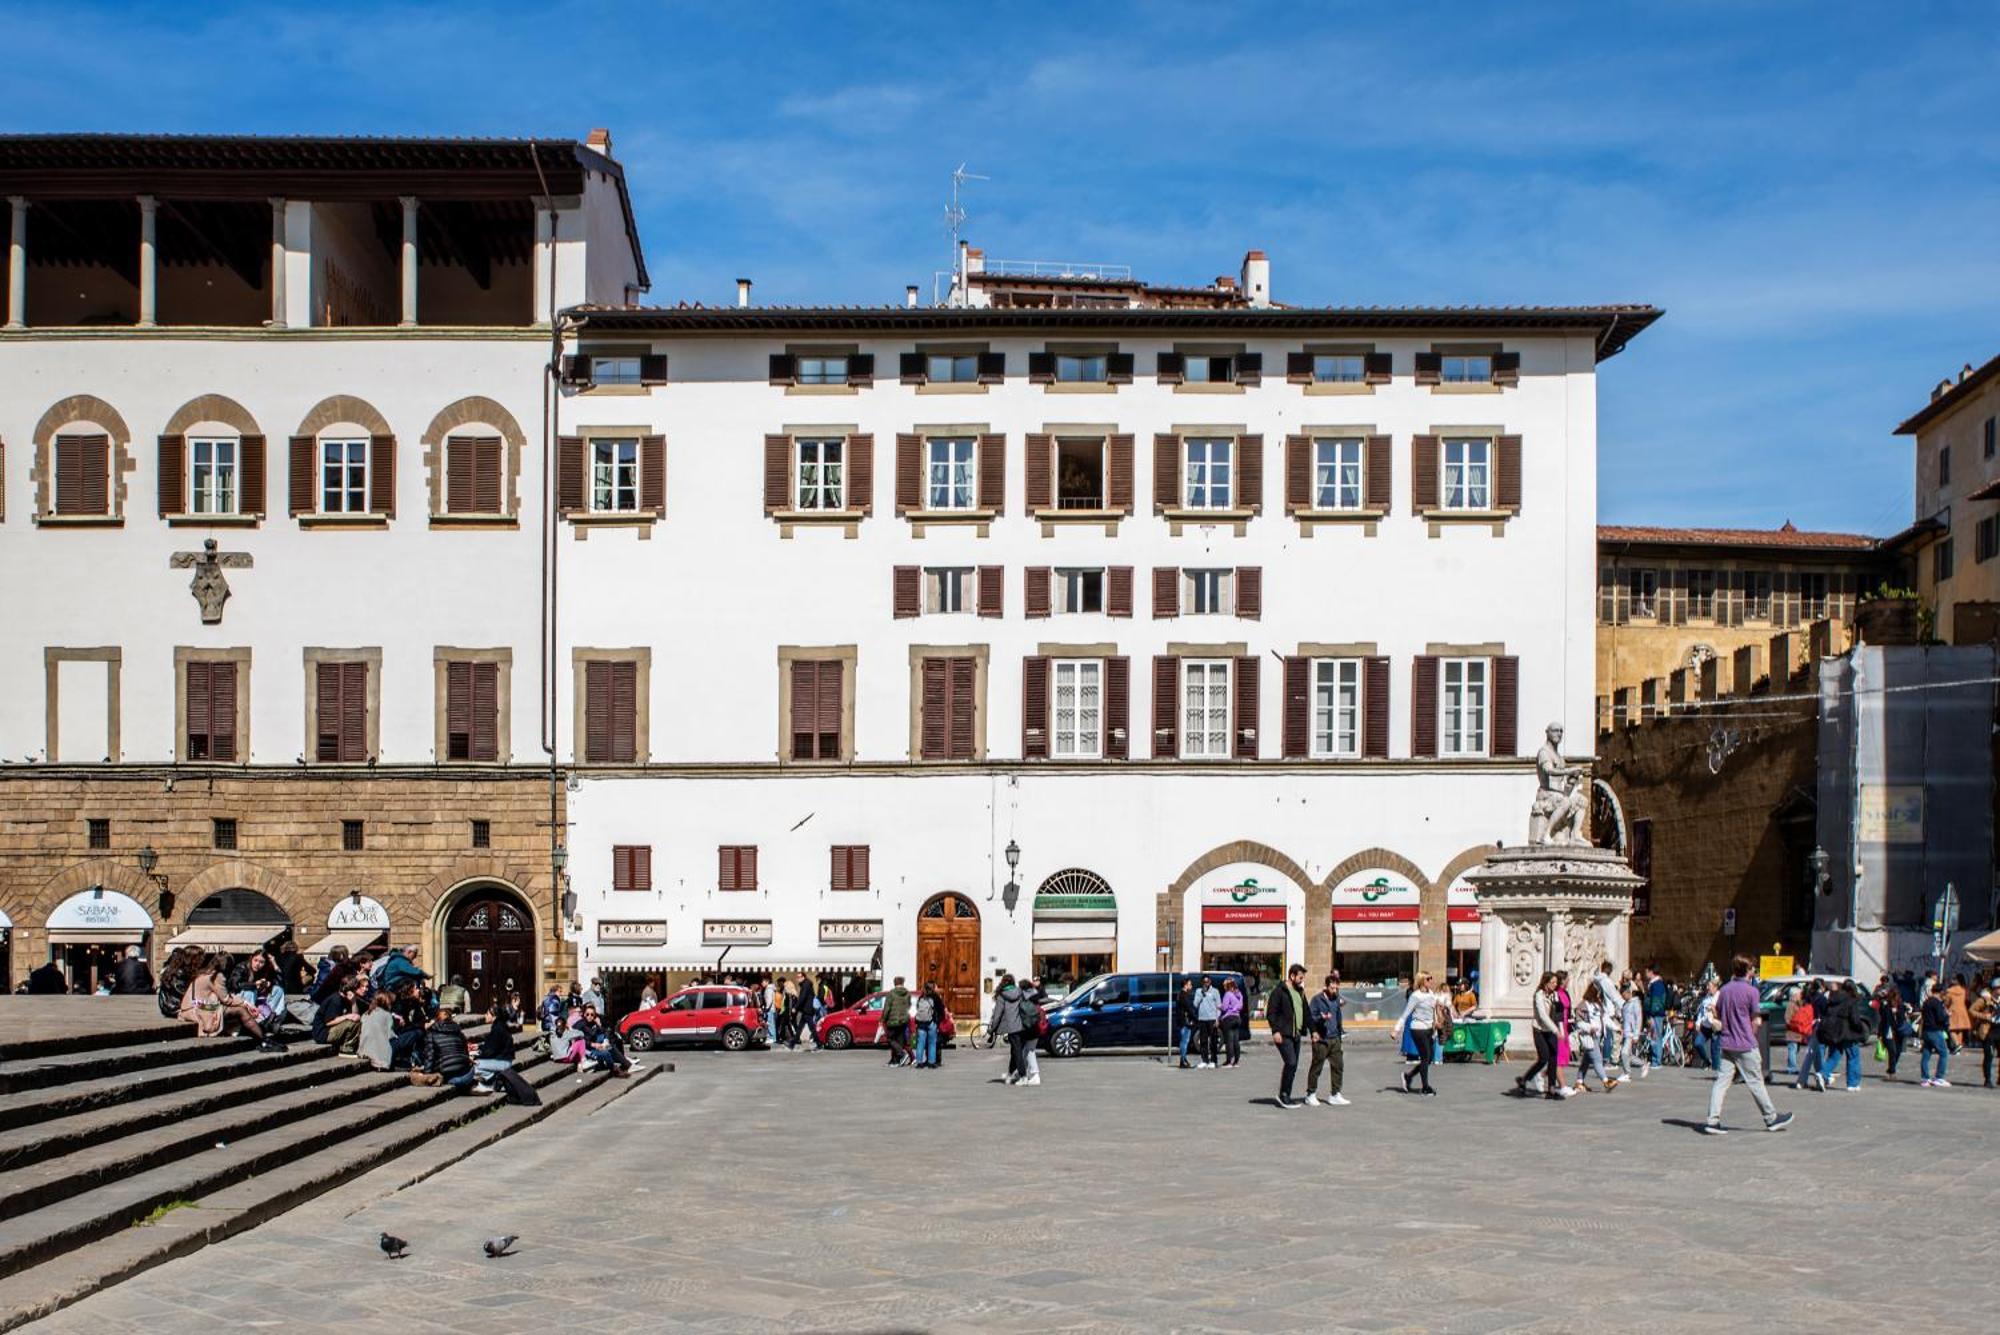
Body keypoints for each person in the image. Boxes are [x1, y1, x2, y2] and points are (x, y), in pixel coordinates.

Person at [1701, 956, 1794, 1134]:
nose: (1754, 971)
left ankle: (1712, 1120)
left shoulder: (1725, 989)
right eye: (1752, 968)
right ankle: (1771, 1118)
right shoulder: (1751, 991)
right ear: (1747, 970)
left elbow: (1718, 1012)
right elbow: (1756, 1019)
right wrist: (1752, 1033)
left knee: (1721, 1082)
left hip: (1727, 1042)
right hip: (1744, 1042)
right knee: (1756, 1081)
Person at [1393, 972, 1446, 1097]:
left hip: (1429, 1029)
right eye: (1428, 979)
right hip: (1418, 1029)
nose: (1431, 981)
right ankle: (1425, 1087)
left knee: (1428, 1058)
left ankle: (1408, 1076)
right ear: (1422, 981)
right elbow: (1405, 1014)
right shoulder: (1415, 996)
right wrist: (1396, 1029)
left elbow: (1434, 1009)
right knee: (1425, 1057)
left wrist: (1438, 1013)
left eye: (1431, 978)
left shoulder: (1431, 994)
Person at [1517, 973, 1567, 1100]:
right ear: (1546, 982)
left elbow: (1559, 1013)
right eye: (1553, 982)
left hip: (1551, 1030)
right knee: (1543, 1058)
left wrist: (1560, 1029)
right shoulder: (1538, 995)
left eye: (1556, 982)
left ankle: (1551, 1089)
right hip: (1540, 1030)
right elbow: (1543, 1016)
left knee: (1553, 1058)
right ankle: (1524, 1079)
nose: (1555, 985)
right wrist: (1556, 1031)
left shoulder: (1554, 995)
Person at [1266, 964, 1309, 1109]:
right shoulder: (1280, 991)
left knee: (1293, 1065)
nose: (1302, 980)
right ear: (1292, 976)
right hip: (1283, 1034)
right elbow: (1271, 1012)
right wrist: (1275, 1031)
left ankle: (1286, 1095)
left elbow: (1306, 1013)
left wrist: (1314, 1031)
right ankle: (1283, 1096)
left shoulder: (1300, 992)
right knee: (1290, 1062)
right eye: (1300, 977)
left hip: (1295, 1034)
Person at [1304, 973, 1348, 1106]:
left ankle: (1335, 1094)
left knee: (1338, 1066)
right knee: (1317, 1067)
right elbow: (1310, 1018)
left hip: (1335, 1038)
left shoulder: (1336, 999)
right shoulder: (1317, 1000)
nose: (1334, 990)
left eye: (1336, 988)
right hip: (1321, 1038)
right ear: (1326, 986)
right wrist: (1321, 1018)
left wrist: (1340, 1033)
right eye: (1332, 988)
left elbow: (1338, 1017)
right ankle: (1310, 1094)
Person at [1571, 982, 1619, 1092]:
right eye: (1597, 993)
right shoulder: (1583, 1005)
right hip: (1589, 1036)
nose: (1598, 995)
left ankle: (1579, 1082)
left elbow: (1605, 1019)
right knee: (1597, 1059)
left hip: (1598, 1036)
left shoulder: (1599, 1005)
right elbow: (1578, 1022)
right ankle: (1606, 1081)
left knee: (1586, 1061)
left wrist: (1616, 1028)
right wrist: (1589, 1027)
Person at [415, 1005, 475, 1089]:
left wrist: (427, 1075)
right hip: (466, 1073)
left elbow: (430, 1057)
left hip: (447, 1074)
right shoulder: (458, 1032)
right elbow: (465, 1052)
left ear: (436, 1019)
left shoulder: (431, 1033)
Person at [989, 974, 1032, 1085]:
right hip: (1022, 1026)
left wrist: (992, 1029)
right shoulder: (1019, 991)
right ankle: (1010, 1073)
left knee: (1017, 1052)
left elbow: (997, 1014)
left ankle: (1023, 1076)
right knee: (1015, 1051)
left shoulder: (1002, 996)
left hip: (1012, 1028)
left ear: (1003, 982)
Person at [472, 1003, 516, 1093]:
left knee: (473, 1066)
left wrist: (475, 1057)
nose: (485, 1015)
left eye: (487, 1014)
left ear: (494, 1016)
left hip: (503, 1062)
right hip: (504, 1060)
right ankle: (494, 1079)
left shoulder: (497, 1029)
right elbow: (492, 1045)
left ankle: (491, 1082)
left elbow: (490, 1051)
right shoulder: (499, 1026)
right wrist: (479, 1047)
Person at [314, 976, 365, 1054]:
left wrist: (353, 1002)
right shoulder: (336, 1000)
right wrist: (347, 1016)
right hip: (324, 1034)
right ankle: (346, 1048)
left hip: (333, 1029)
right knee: (353, 1023)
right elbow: (329, 1022)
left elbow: (355, 1015)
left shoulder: (349, 999)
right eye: (355, 989)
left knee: (357, 1019)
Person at [1876, 978, 1912, 1080]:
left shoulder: (1901, 1006)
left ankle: (1891, 1068)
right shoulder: (1885, 1006)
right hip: (1888, 1031)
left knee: (1898, 1051)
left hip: (1899, 1031)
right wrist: (1880, 1033)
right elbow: (1883, 1019)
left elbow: (1902, 1018)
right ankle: (1892, 1072)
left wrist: (1900, 1011)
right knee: (1892, 1051)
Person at [1918, 986, 1953, 1087]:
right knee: (1944, 1052)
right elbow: (1940, 1017)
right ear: (1940, 992)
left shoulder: (1926, 1002)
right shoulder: (1936, 1003)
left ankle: (1925, 1078)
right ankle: (1939, 1077)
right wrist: (1947, 1015)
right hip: (1935, 1030)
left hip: (1926, 1030)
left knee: (1926, 1054)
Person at [358, 992, 397, 1070]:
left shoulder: (365, 1014)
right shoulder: (387, 1015)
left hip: (363, 1051)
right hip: (381, 1058)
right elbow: (390, 1035)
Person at [880, 976, 913, 1067]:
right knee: (899, 1041)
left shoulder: (891, 993)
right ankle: (895, 1060)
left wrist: (883, 1019)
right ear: (902, 983)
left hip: (892, 1020)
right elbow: (909, 1005)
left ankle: (902, 1054)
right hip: (903, 1020)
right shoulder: (907, 993)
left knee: (890, 1039)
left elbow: (887, 1008)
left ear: (895, 983)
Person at [1192, 975, 1222, 1069]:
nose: (1206, 983)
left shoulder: (1215, 991)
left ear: (1210, 982)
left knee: (1213, 1040)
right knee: (1203, 1040)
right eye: (1204, 982)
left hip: (1212, 1019)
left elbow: (1219, 1006)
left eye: (1207, 982)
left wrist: (1217, 1019)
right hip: (1202, 1019)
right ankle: (1204, 1060)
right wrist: (1201, 994)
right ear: (1202, 983)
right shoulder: (1198, 991)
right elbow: (1195, 1004)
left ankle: (1213, 1060)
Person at [1782, 986, 1812, 1076]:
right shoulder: (1791, 1004)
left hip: (1797, 1032)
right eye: (1800, 994)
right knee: (1792, 1049)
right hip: (1792, 1032)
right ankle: (1792, 1068)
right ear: (1795, 995)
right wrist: (1793, 1024)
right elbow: (1787, 1018)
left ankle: (1790, 1066)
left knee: (1794, 1050)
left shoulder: (1798, 1004)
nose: (1801, 995)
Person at [911, 981, 941, 1070]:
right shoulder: (935, 997)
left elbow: (917, 1008)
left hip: (920, 1022)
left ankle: (919, 1062)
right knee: (932, 1043)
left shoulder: (921, 997)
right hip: (931, 1022)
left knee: (920, 1043)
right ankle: (931, 1063)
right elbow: (940, 1010)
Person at [1644, 966, 1669, 1066]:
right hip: (1655, 1014)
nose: (1645, 974)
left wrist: (1651, 1015)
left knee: (1655, 1036)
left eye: (1646, 972)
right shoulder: (1655, 984)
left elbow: (1656, 1001)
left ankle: (1656, 1061)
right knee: (1654, 1036)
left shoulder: (1657, 984)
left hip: (1656, 1014)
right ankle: (1655, 1059)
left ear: (1651, 972)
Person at [1218, 977, 1245, 1068]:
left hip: (1229, 1018)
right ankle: (1236, 1062)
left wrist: (1218, 1006)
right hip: (1237, 1018)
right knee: (1236, 1041)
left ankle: (1229, 1061)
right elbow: (1241, 1006)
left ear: (1227, 986)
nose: (1224, 987)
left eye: (1225, 986)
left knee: (1229, 1041)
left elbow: (1225, 1007)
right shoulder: (1239, 995)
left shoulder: (1228, 994)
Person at [1173, 978, 1197, 1070]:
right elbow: (1189, 1008)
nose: (1191, 986)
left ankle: (1184, 1060)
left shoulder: (1180, 994)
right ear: (1185, 985)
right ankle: (1183, 1061)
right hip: (1185, 1022)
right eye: (1190, 984)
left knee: (1184, 1041)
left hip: (1182, 1021)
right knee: (1185, 1041)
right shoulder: (1184, 995)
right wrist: (1195, 1018)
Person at [1946, 975, 1971, 1052]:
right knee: (1960, 1029)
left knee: (1950, 1028)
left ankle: (1957, 1044)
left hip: (1953, 1010)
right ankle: (1959, 1046)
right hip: (1962, 1010)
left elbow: (1947, 1002)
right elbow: (1967, 999)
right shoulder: (1963, 990)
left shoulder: (1949, 991)